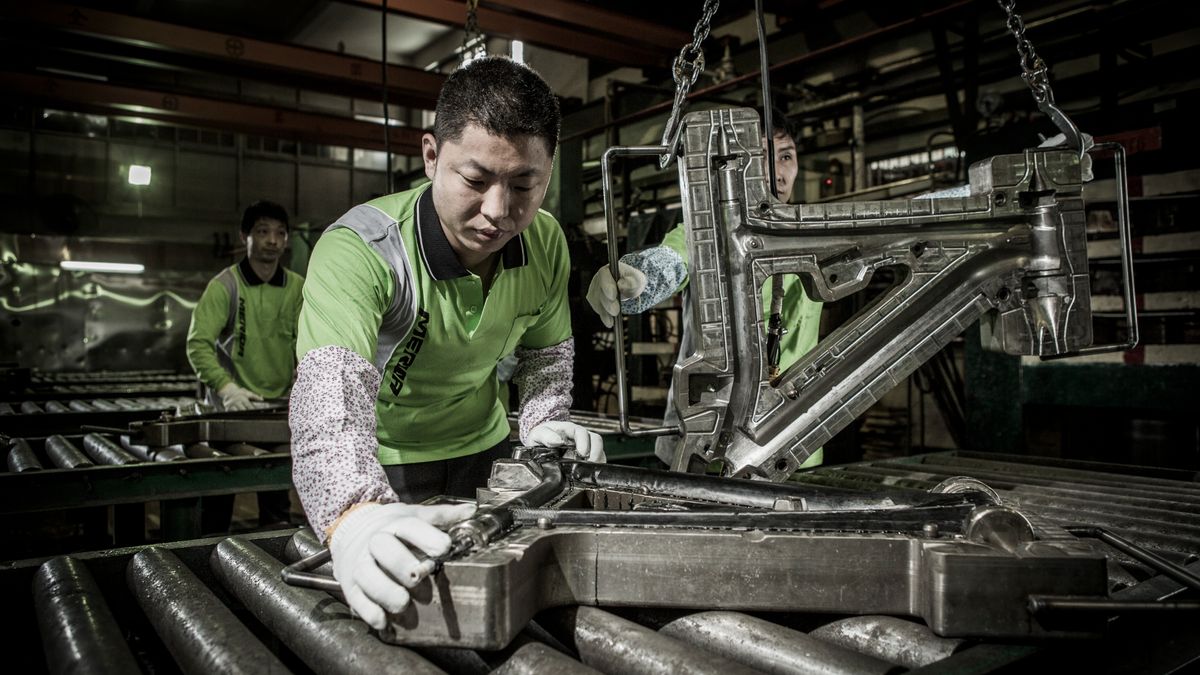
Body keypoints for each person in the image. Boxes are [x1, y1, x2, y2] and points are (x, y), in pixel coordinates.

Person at [290, 56, 604, 630]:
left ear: (549, 173)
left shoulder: (545, 241)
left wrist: (541, 425)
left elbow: (545, 356)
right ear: (432, 155)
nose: (498, 212)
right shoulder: (362, 249)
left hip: (484, 455)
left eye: (525, 185)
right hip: (383, 464)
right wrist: (354, 514)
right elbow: (328, 397)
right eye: (476, 181)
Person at [586, 113, 826, 469]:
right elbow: (674, 258)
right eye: (761, 155)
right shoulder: (708, 230)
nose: (776, 170)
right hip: (705, 443)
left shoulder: (816, 235)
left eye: (786, 156)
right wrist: (638, 278)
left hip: (790, 444)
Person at [186, 199, 304, 529]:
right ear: (244, 237)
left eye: (280, 233)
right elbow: (198, 345)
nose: (272, 240)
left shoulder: (297, 287)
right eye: (262, 231)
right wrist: (227, 389)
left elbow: (307, 343)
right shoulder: (225, 286)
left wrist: (302, 379)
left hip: (276, 413)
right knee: (218, 508)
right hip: (230, 415)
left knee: (277, 509)